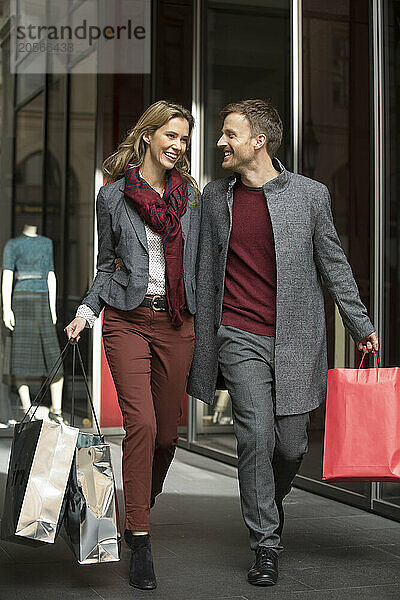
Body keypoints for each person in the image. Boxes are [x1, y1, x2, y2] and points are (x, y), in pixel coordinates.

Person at [187, 99, 378, 587]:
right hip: (238, 334)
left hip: (296, 340)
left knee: (291, 447)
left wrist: (361, 324)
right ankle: (265, 544)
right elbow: (199, 266)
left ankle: (266, 503)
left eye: (229, 133)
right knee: (255, 435)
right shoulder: (214, 197)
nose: (219, 142)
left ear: (259, 142)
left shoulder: (310, 195)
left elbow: (333, 264)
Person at [65, 100, 200, 590]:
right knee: (140, 423)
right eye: (171, 136)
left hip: (176, 323)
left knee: (167, 436)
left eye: (184, 139)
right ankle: (139, 538)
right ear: (148, 136)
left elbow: (201, 267)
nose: (178, 146)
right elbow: (106, 267)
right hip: (126, 319)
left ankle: (139, 500)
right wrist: (87, 311)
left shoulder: (191, 198)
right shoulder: (113, 198)